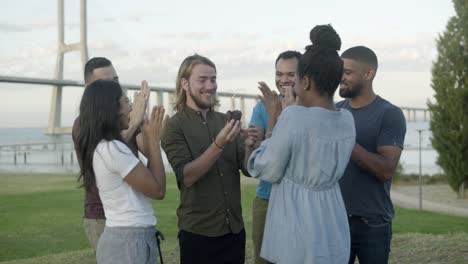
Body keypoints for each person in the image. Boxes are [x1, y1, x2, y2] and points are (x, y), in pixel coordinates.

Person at [246, 25, 355, 264]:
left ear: (304, 82)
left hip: (297, 222)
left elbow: (267, 169)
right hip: (332, 218)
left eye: (294, 78)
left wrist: (268, 131)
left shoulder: (294, 117)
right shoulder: (347, 120)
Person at [161, 54, 250, 264]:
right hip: (198, 236)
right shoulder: (174, 127)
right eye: (202, 80)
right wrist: (219, 144)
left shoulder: (224, 121)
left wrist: (249, 146)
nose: (210, 86)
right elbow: (187, 176)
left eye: (213, 79)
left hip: (235, 232)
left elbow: (247, 169)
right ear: (184, 83)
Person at [76, 80, 167, 263]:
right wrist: (154, 139)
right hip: (129, 243)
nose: (131, 106)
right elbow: (158, 190)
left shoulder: (103, 146)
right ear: (113, 108)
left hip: (123, 240)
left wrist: (140, 125)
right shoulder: (114, 149)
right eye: (126, 101)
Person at [337, 46, 406, 264]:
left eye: (347, 72)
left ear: (369, 74)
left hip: (374, 223)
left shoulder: (390, 114)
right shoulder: (334, 112)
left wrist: (346, 139)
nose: (340, 78)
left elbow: (385, 169)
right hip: (336, 219)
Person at [72, 57, 149, 249]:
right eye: (106, 82)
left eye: (115, 80)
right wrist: (133, 124)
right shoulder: (83, 124)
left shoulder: (124, 118)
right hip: (101, 215)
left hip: (132, 212)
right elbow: (103, 153)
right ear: (90, 88)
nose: (115, 86)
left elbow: (148, 150)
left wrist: (145, 124)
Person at [249, 50, 301, 264]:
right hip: (266, 197)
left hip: (298, 200)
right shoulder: (262, 106)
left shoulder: (310, 107)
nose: (283, 80)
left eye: (290, 74)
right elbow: (259, 157)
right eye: (279, 74)